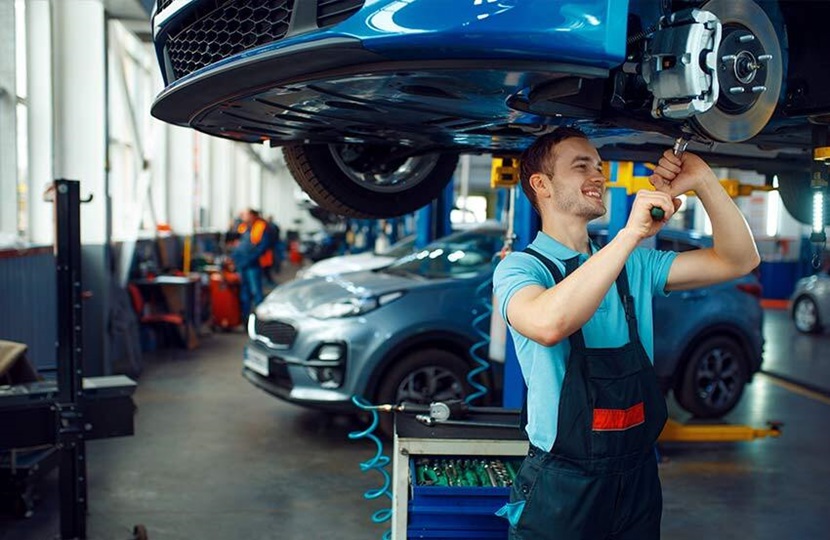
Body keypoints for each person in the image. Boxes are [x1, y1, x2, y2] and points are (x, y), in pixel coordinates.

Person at [493, 127, 759, 540]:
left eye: (599, 167)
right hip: (563, 487)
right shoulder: (521, 270)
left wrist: (703, 178)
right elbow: (549, 324)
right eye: (581, 167)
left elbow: (738, 259)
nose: (598, 176)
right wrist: (631, 234)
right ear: (541, 185)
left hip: (637, 480)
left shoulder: (632, 267)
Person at [232, 208, 275, 318]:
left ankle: (261, 318)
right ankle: (245, 317)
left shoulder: (261, 226)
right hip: (242, 264)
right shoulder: (242, 227)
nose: (243, 217)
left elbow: (263, 246)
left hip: (253, 263)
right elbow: (237, 242)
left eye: (245, 214)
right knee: (244, 291)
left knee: (256, 291)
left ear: (252, 215)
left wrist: (251, 258)